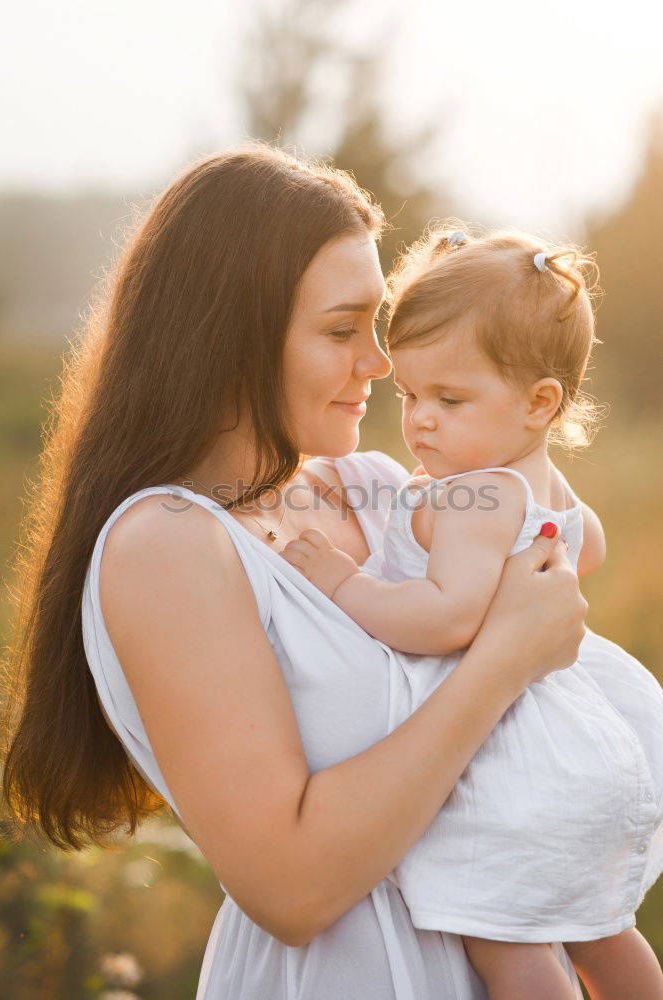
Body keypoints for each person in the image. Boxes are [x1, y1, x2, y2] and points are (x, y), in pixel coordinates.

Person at [1, 146, 590, 1000]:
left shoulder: (383, 489)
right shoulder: (165, 543)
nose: (382, 364)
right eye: (341, 329)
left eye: (378, 325)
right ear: (233, 340)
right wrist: (503, 659)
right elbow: (291, 889)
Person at [280, 225, 663, 1000]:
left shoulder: (474, 494)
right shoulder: (538, 480)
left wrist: (341, 583)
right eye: (410, 395)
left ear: (539, 402)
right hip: (586, 741)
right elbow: (581, 548)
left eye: (449, 400)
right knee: (598, 930)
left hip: (515, 758)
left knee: (507, 947)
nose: (419, 420)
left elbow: (443, 619)